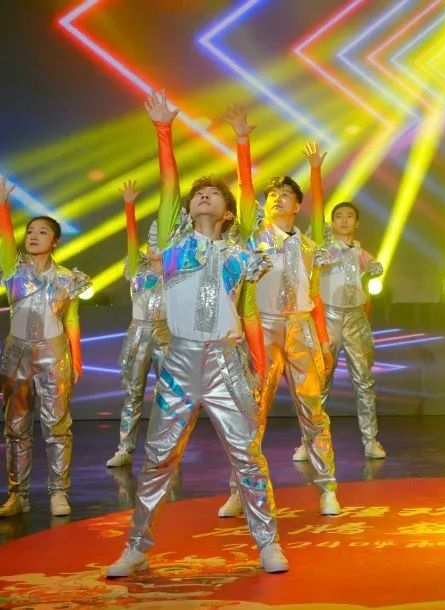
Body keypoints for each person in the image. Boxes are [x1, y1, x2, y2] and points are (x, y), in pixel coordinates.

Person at [106, 91, 286, 577]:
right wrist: (163, 131)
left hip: (226, 362)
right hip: (180, 362)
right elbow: (169, 187)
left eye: (214, 195)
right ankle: (136, 547)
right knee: (159, 457)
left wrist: (242, 142)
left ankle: (267, 543)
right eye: (197, 194)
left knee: (247, 456)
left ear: (227, 214)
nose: (203, 196)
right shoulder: (173, 249)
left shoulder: (238, 254)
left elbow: (248, 196)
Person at [216, 106, 340, 519]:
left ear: (297, 206)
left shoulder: (309, 247)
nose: (276, 198)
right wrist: (242, 141)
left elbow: (315, 296)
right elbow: (244, 188)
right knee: (252, 412)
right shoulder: (253, 239)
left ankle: (327, 487)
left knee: (313, 411)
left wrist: (324, 341)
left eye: (285, 194)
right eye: (272, 194)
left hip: (301, 329)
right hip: (263, 331)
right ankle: (240, 490)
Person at [0, 178, 90, 517]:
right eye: (30, 232)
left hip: (54, 355)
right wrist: (3, 206)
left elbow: (72, 320)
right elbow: (5, 240)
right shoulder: (13, 271)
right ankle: (17, 495)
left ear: (55, 241)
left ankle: (58, 492)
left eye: (42, 231)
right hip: (17, 355)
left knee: (57, 426)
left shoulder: (68, 278)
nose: (34, 236)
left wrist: (77, 359)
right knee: (16, 427)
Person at [316, 190, 387, 459]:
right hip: (329, 317)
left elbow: (373, 265)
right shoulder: (324, 249)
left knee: (364, 380)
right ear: (331, 222)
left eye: (349, 216)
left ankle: (371, 440)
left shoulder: (359, 251)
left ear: (357, 223)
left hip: (355, 317)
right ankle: (312, 440)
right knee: (321, 380)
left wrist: (375, 266)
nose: (344, 220)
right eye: (338, 216)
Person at [105, 180, 170, 468]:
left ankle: (164, 448)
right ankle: (124, 448)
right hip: (139, 334)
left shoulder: (176, 274)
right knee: (133, 392)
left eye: (160, 243)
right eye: (150, 243)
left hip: (167, 335)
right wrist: (129, 207)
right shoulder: (137, 270)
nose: (154, 247)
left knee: (166, 394)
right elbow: (131, 239)